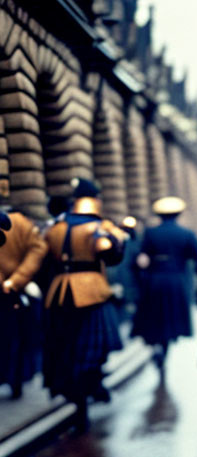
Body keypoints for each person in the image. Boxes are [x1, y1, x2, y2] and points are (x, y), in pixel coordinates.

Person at [42, 178, 129, 430]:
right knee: (89, 350)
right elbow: (112, 256)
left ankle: (78, 396)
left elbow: (46, 263)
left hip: (59, 293)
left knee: (65, 349)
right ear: (95, 199)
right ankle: (89, 392)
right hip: (91, 292)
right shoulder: (99, 226)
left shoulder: (55, 227)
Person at [131, 196, 197, 372]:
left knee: (155, 319)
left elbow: (141, 259)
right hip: (176, 281)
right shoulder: (186, 233)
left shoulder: (150, 232)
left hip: (155, 280)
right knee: (170, 321)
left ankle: (157, 348)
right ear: (178, 214)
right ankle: (164, 352)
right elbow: (195, 258)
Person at [0, 176, 48, 399]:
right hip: (17, 291)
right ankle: (17, 380)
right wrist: (16, 280)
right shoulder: (21, 222)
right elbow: (37, 250)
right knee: (19, 337)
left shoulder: (17, 223)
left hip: (9, 291)